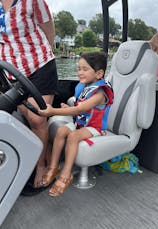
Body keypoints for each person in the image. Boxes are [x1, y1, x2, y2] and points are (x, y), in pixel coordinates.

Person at [38, 51, 114, 197]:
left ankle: (66, 174)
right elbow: (80, 108)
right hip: (80, 122)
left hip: (95, 127)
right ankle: (53, 167)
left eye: (85, 69)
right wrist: (69, 110)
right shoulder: (84, 86)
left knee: (73, 136)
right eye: (79, 68)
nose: (80, 72)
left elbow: (81, 108)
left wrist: (53, 110)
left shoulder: (100, 93)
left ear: (99, 74)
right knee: (61, 131)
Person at [0, 0, 58, 189]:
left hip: (39, 65)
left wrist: (45, 52)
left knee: (37, 119)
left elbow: (48, 27)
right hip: (10, 69)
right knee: (21, 118)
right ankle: (35, 154)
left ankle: (40, 166)